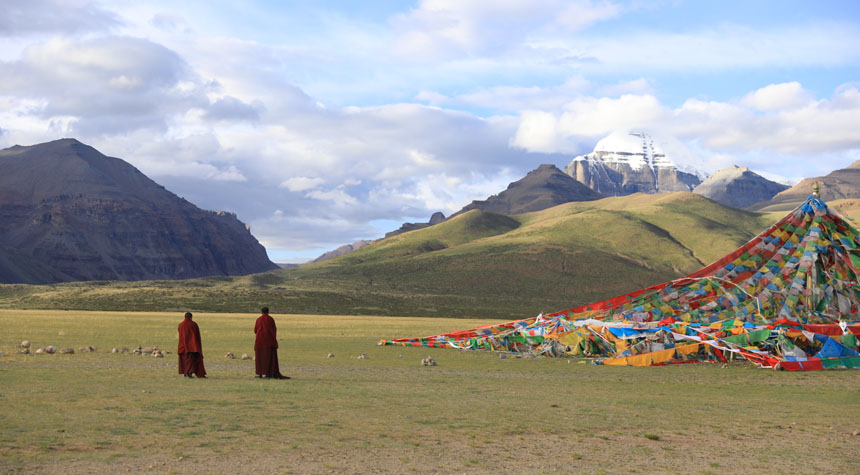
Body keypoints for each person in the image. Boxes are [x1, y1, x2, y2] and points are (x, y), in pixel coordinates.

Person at [254, 307, 289, 379]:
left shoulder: (258, 319)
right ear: (268, 312)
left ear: (261, 312)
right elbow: (274, 329)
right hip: (269, 341)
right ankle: (268, 374)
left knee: (260, 358)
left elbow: (255, 330)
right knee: (269, 358)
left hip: (259, 342)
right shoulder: (270, 319)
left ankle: (260, 374)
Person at [177, 312, 206, 378]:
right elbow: (197, 335)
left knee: (184, 360)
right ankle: (189, 373)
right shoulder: (194, 324)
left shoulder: (180, 325)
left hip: (183, 345)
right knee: (191, 360)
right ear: (191, 317)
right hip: (192, 346)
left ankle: (185, 372)